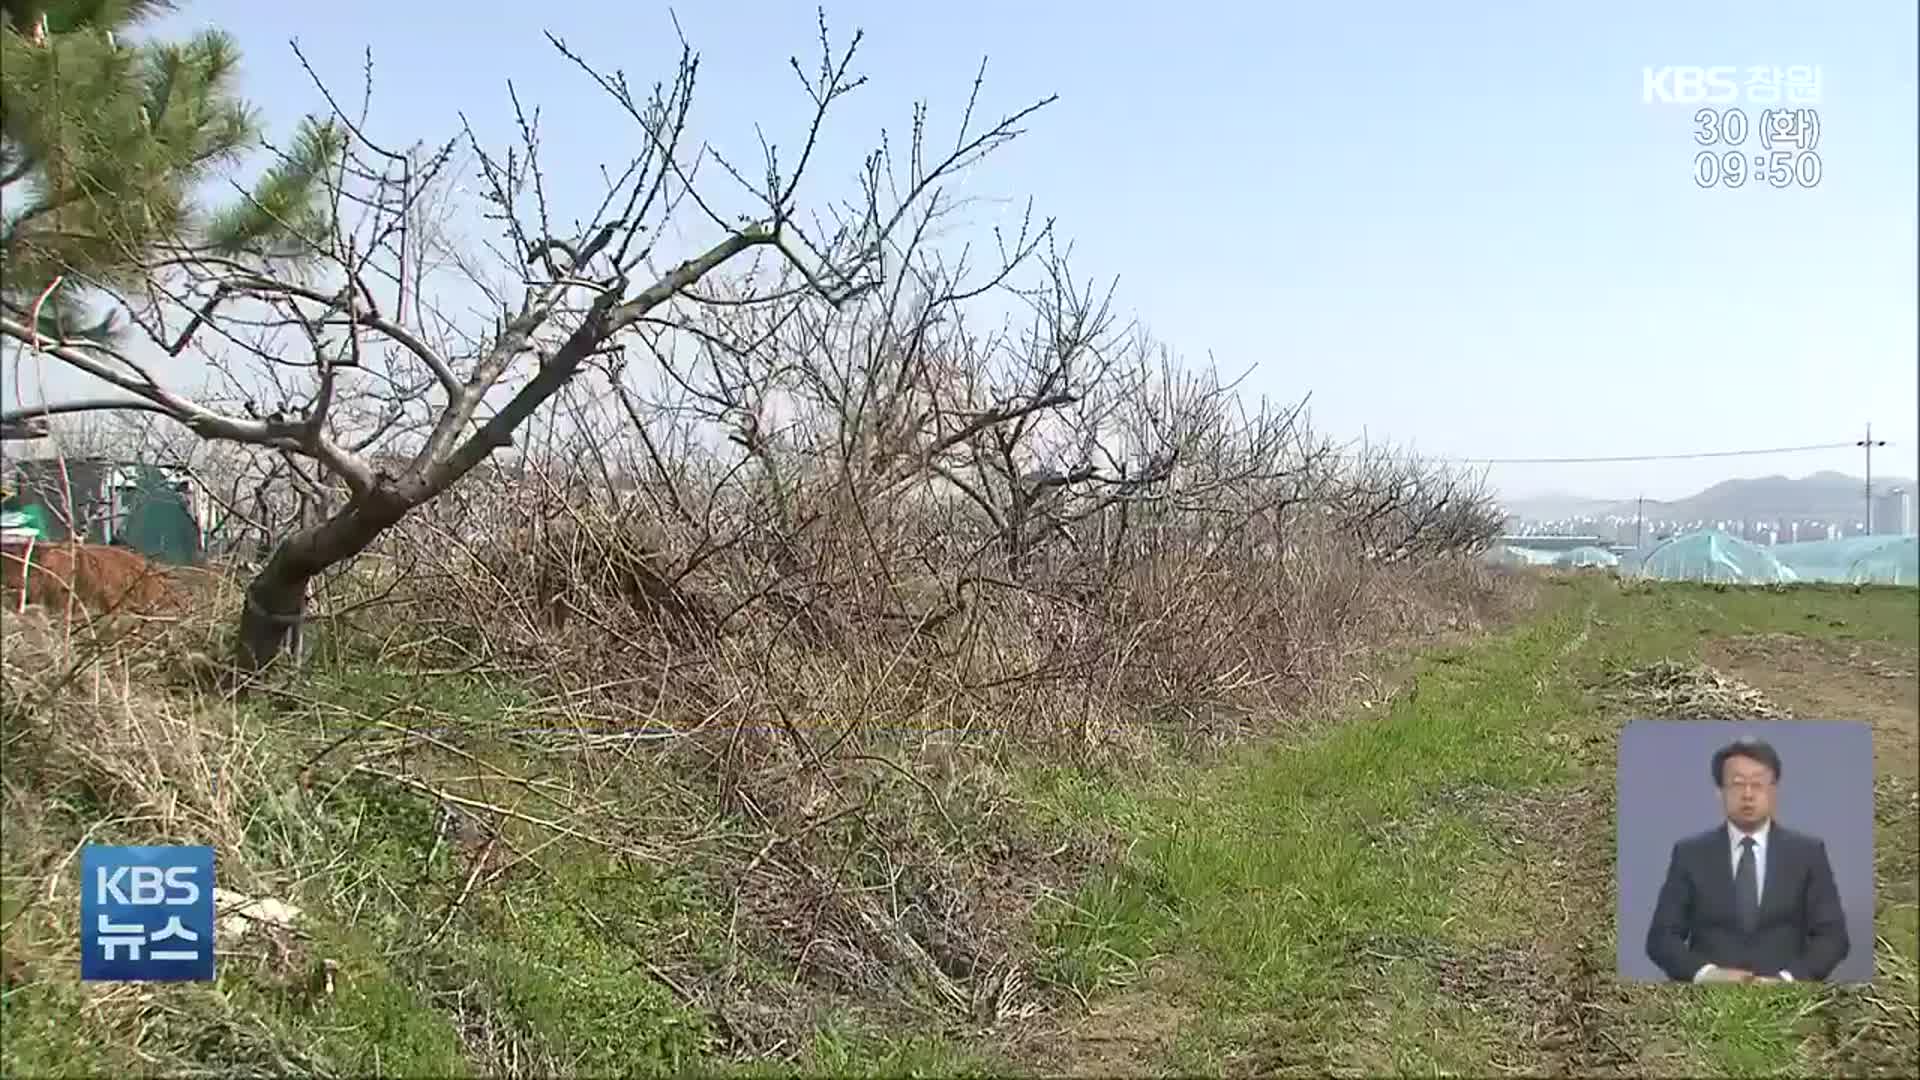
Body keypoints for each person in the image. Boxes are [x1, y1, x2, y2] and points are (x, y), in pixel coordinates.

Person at [1645, 736, 1850, 983]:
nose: (1748, 794)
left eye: (1758, 784)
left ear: (1774, 791)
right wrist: (1708, 975)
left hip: (1787, 998)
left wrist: (1787, 980)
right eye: (1737, 784)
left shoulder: (1807, 853)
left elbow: (1833, 937)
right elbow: (1661, 938)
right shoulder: (1690, 854)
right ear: (1719, 792)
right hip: (1709, 1001)